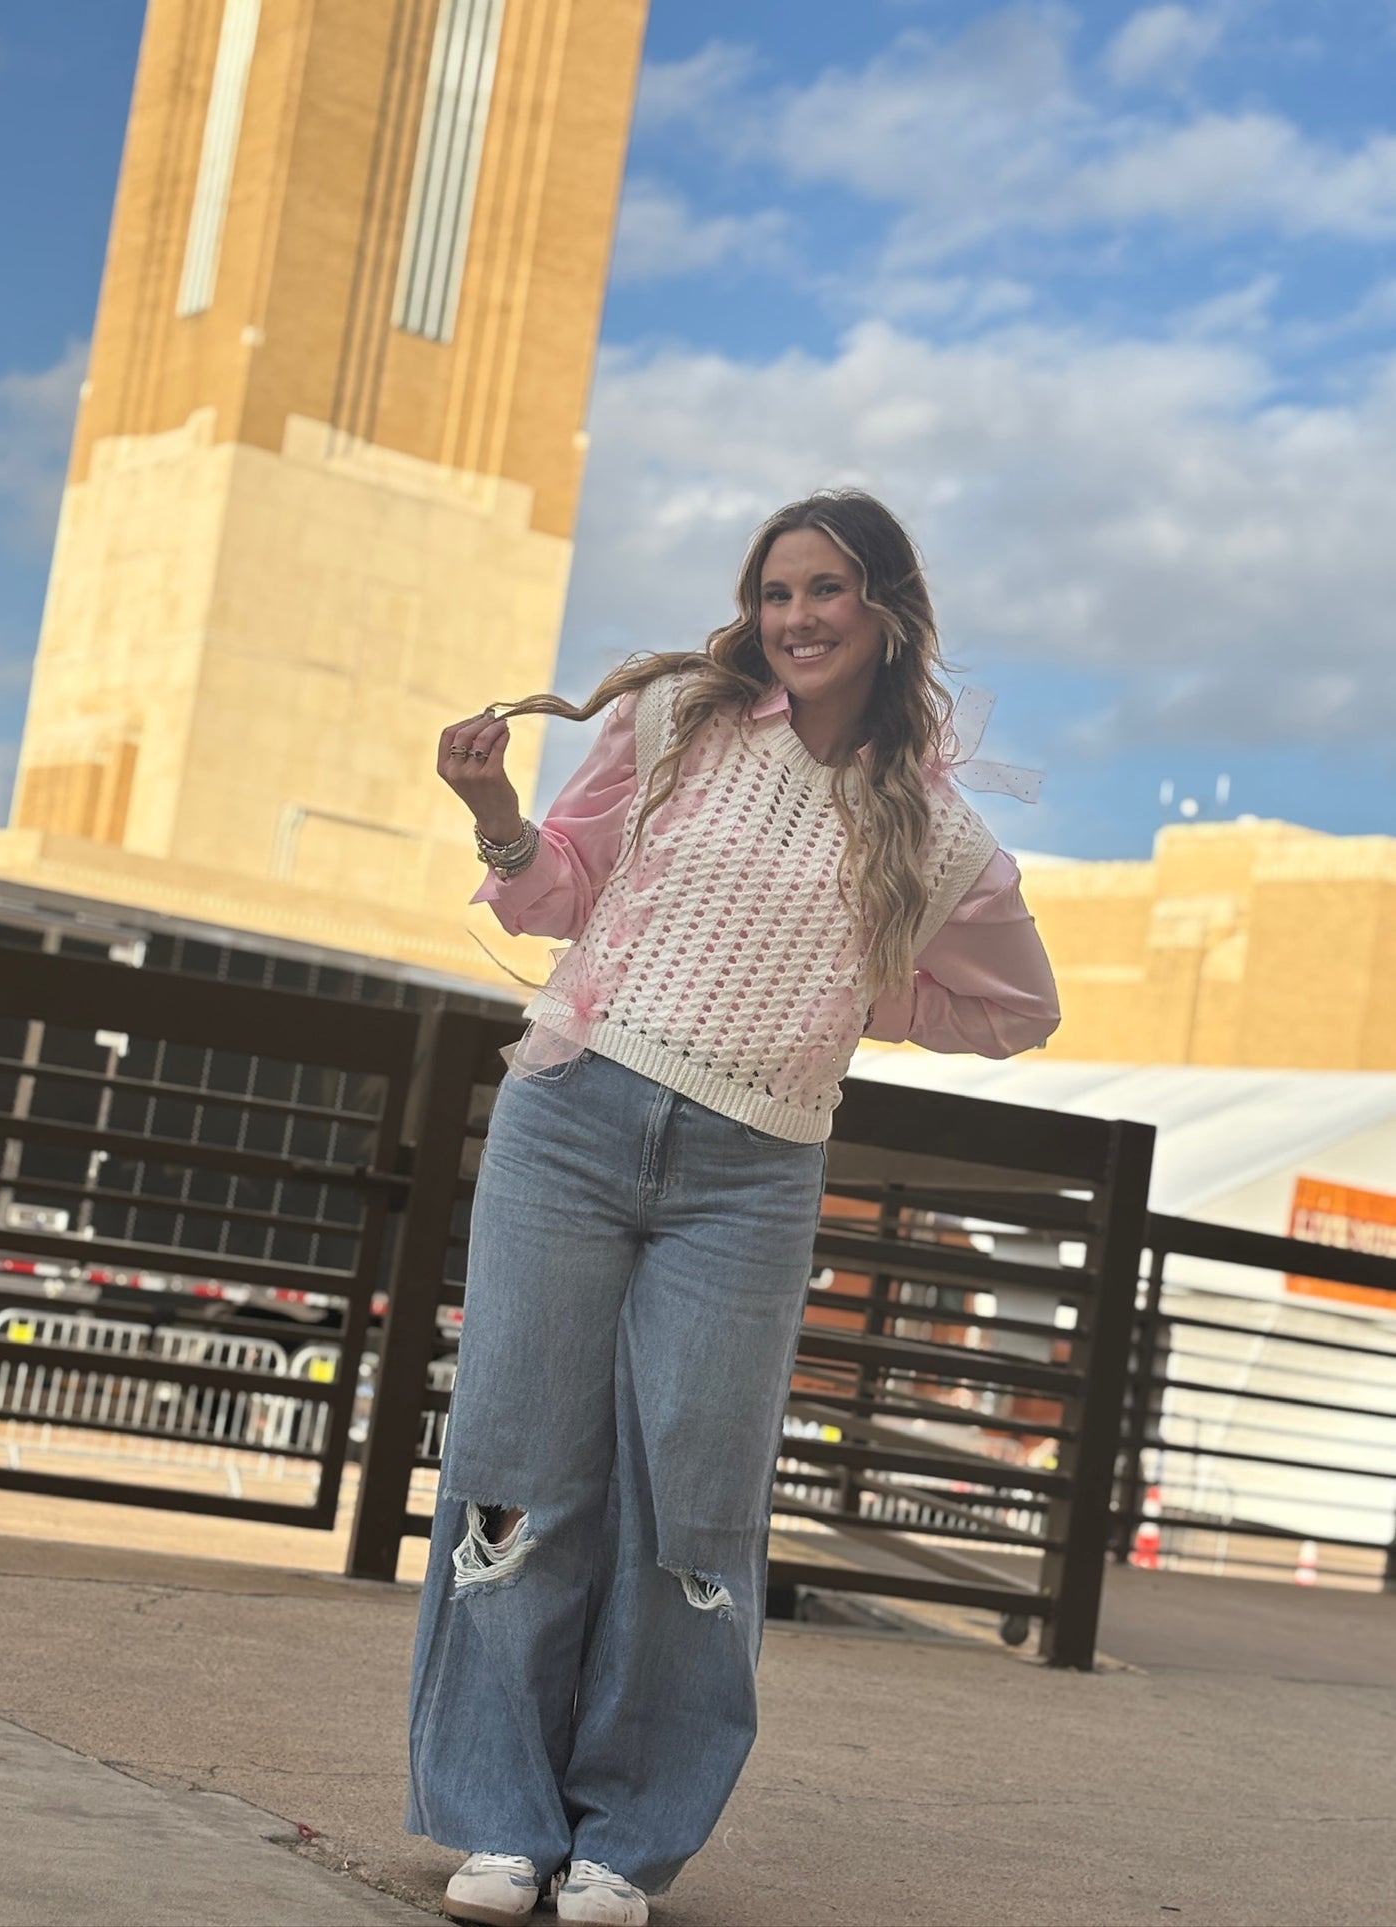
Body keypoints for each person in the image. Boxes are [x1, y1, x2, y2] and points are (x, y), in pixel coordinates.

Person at [407, 489, 1060, 1926]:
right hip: (568, 1125)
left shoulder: (940, 837)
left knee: (691, 1509)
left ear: (886, 612)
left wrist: (849, 983)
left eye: (825, 592)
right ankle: (502, 1822)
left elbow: (1017, 1011)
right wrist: (497, 815)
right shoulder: (669, 728)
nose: (795, 619)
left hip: (751, 1173)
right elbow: (562, 890)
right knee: (520, 1470)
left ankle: (623, 1843)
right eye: (774, 592)